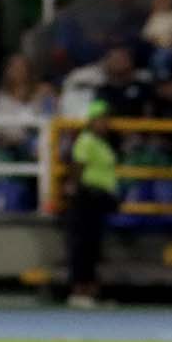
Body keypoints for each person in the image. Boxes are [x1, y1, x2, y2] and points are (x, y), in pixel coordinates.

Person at [65, 99, 120, 309]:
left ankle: (90, 290)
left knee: (93, 245)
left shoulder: (100, 142)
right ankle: (79, 290)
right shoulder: (86, 140)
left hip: (98, 199)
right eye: (100, 119)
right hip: (86, 197)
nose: (105, 123)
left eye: (106, 119)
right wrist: (74, 190)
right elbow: (78, 166)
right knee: (83, 244)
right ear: (92, 121)